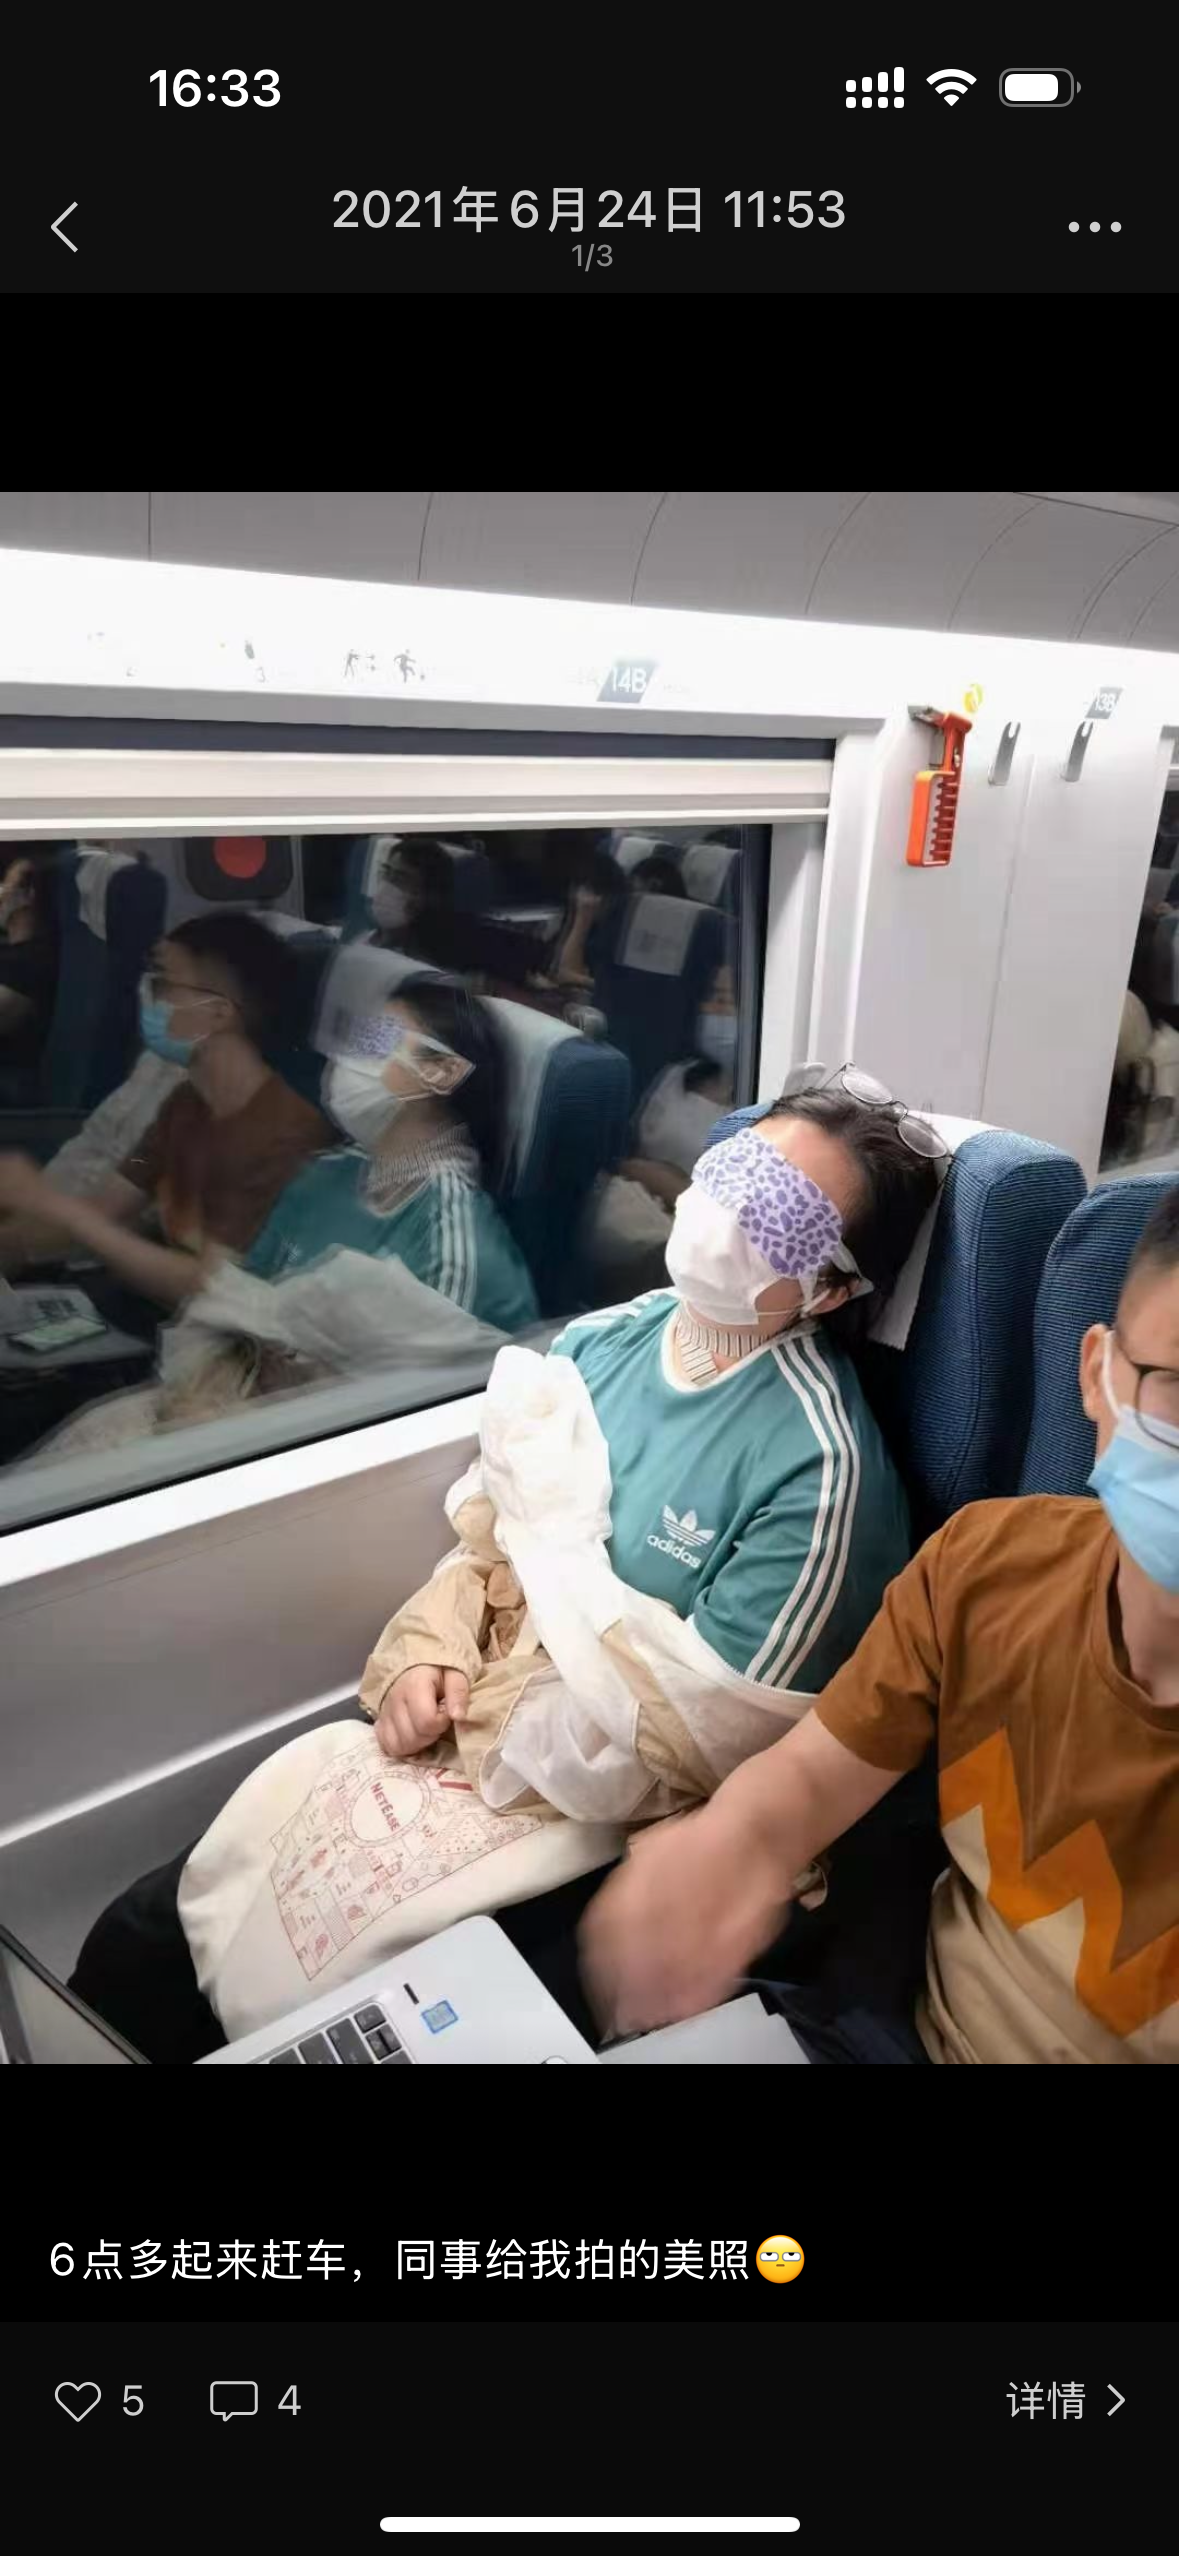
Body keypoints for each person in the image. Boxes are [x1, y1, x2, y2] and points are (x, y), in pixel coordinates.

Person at [68, 1069, 944, 2057]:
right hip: (477, 1726)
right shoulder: (602, 1342)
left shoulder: (820, 1473)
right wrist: (430, 1650)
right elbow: (496, 1542)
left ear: (831, 1288)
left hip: (607, 1811)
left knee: (325, 2018)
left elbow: (703, 1737)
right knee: (145, 1935)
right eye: (732, 1175)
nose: (727, 1216)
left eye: (777, 1219)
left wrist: (486, 1710)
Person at [581, 1184, 1179, 2066]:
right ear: (1096, 1375)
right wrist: (728, 1848)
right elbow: (810, 1776)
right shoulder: (987, 1568)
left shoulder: (821, 1454)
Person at [0, 914, 330, 1311]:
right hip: (165, 1316)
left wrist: (52, 1206)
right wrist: (16, 1237)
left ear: (218, 1013)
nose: (150, 998)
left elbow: (211, 1286)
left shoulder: (284, 1133)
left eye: (164, 985)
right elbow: (106, 1208)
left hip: (224, 1333)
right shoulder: (187, 1105)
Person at [237, 976, 539, 1333]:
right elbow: (247, 1299)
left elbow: (416, 1368)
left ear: (442, 1071)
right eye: (363, 1039)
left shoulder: (449, 1238)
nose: (352, 1059)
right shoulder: (329, 1171)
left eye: (380, 1041)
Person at [0, 850, 59, 1071]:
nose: (3, 895)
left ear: (29, 895)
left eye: (7, 885)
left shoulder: (30, 963)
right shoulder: (13, 953)